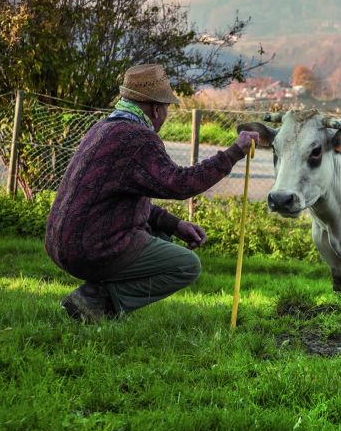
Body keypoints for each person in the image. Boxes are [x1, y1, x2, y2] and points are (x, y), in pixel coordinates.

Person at [45, 64, 260, 323]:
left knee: (162, 238)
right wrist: (234, 152)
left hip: (61, 243)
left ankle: (94, 294)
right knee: (185, 265)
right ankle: (96, 301)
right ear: (157, 108)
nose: (166, 113)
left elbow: (122, 198)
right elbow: (181, 184)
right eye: (167, 107)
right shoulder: (137, 138)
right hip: (89, 248)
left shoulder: (102, 128)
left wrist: (175, 224)